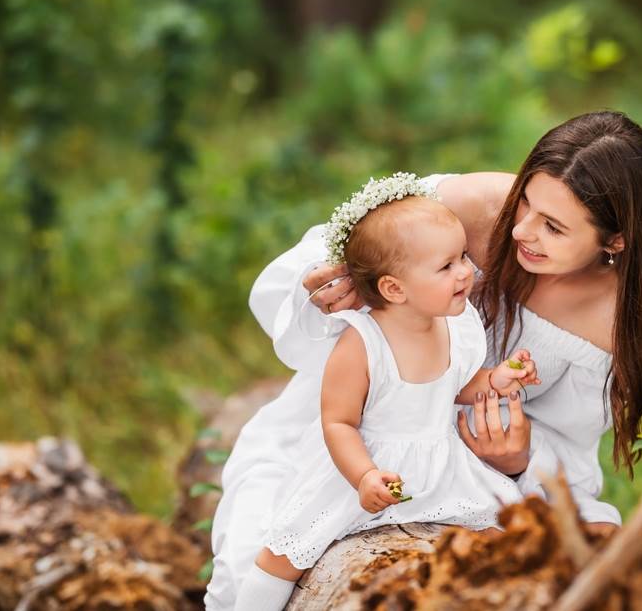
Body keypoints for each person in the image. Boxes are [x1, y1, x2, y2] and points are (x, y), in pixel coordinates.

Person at [206, 111, 642, 609]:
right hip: (355, 426)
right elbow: (306, 277)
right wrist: (326, 285)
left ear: (616, 240)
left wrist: (520, 459)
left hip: (466, 469)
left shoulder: (615, 319)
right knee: (254, 553)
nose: (522, 230)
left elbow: (570, 448)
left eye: (553, 227)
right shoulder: (470, 209)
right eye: (525, 200)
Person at [225, 174, 538, 610]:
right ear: (394, 288)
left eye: (463, 256)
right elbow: (339, 422)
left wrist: (499, 378)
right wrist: (363, 476)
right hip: (366, 465)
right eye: (447, 266)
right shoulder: (362, 342)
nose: (467, 271)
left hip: (438, 460)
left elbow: (454, 386)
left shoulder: (456, 326)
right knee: (285, 551)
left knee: (507, 524)